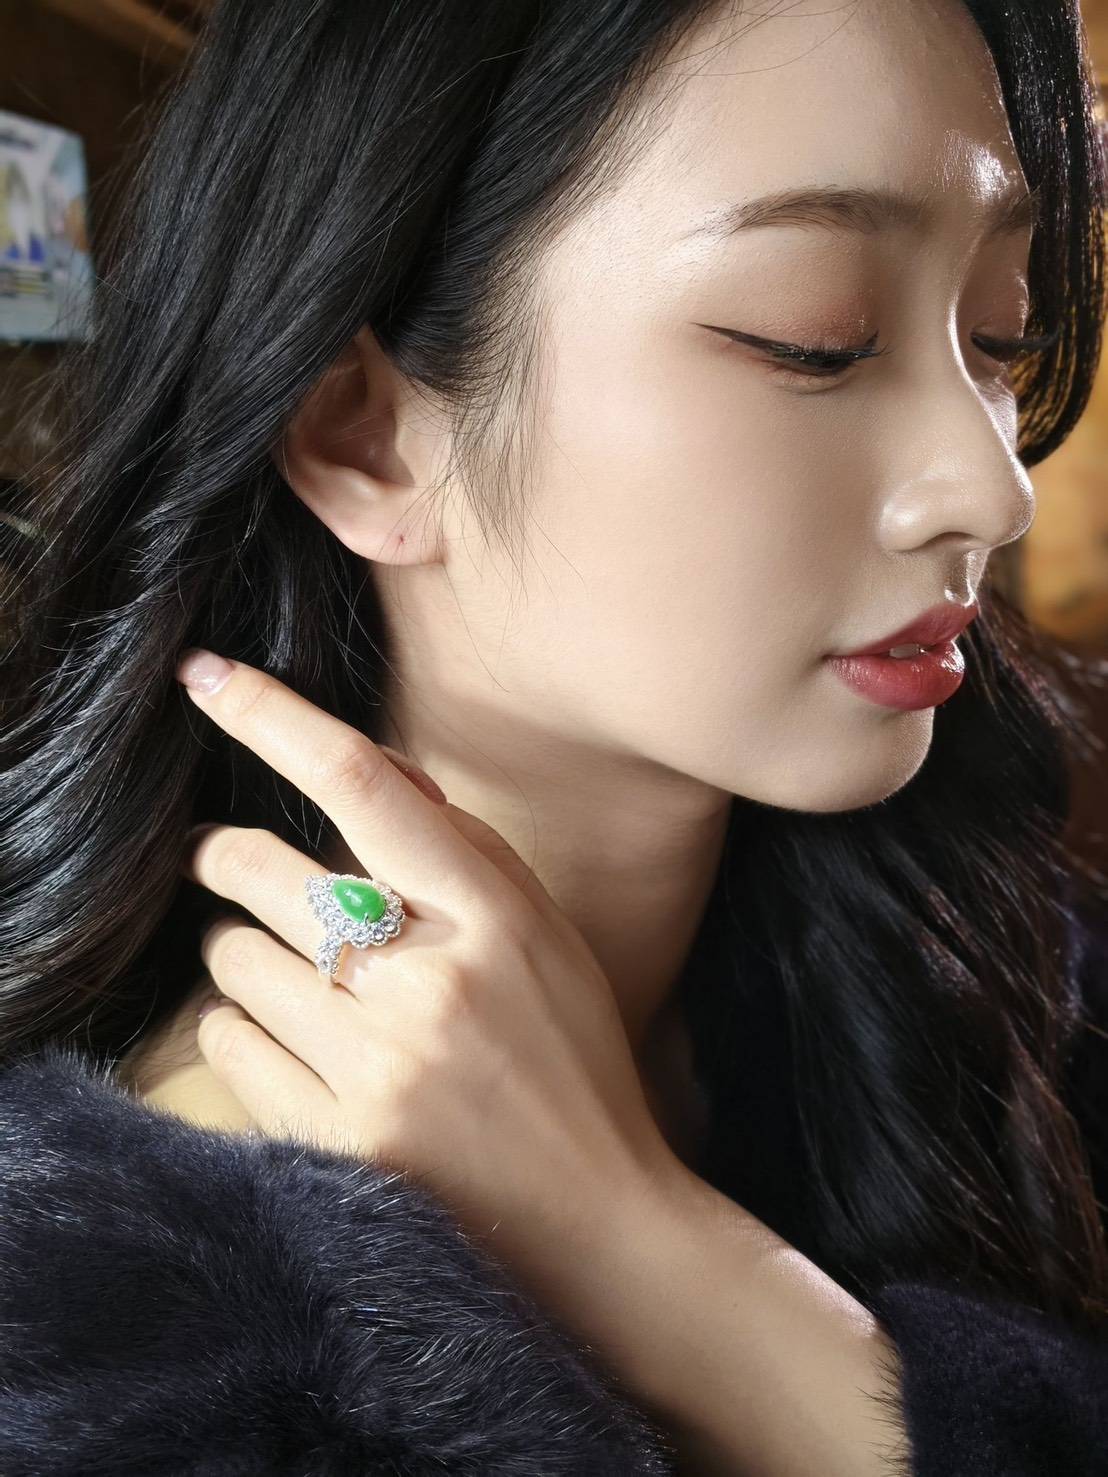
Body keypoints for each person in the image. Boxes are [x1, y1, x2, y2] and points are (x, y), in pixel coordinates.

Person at [0, 0, 1106, 1471]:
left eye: (999, 335)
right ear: (364, 434)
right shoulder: (147, 1332)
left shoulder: (1020, 972)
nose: (993, 485)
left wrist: (648, 1254)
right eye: (821, 341)